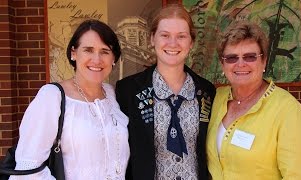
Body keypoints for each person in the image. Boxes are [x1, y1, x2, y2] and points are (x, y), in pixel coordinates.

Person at [10, 19, 129, 179]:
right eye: (88, 50)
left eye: (105, 51)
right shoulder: (52, 96)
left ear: (113, 58)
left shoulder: (114, 95)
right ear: (74, 53)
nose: (97, 59)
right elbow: (29, 168)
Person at [115, 4, 216, 180]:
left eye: (181, 36)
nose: (173, 43)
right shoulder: (128, 90)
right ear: (152, 38)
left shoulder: (206, 92)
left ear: (191, 42)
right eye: (165, 35)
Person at [206, 20, 301, 179]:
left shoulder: (287, 109)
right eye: (231, 58)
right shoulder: (217, 98)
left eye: (250, 57)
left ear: (264, 61)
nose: (240, 64)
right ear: (223, 65)